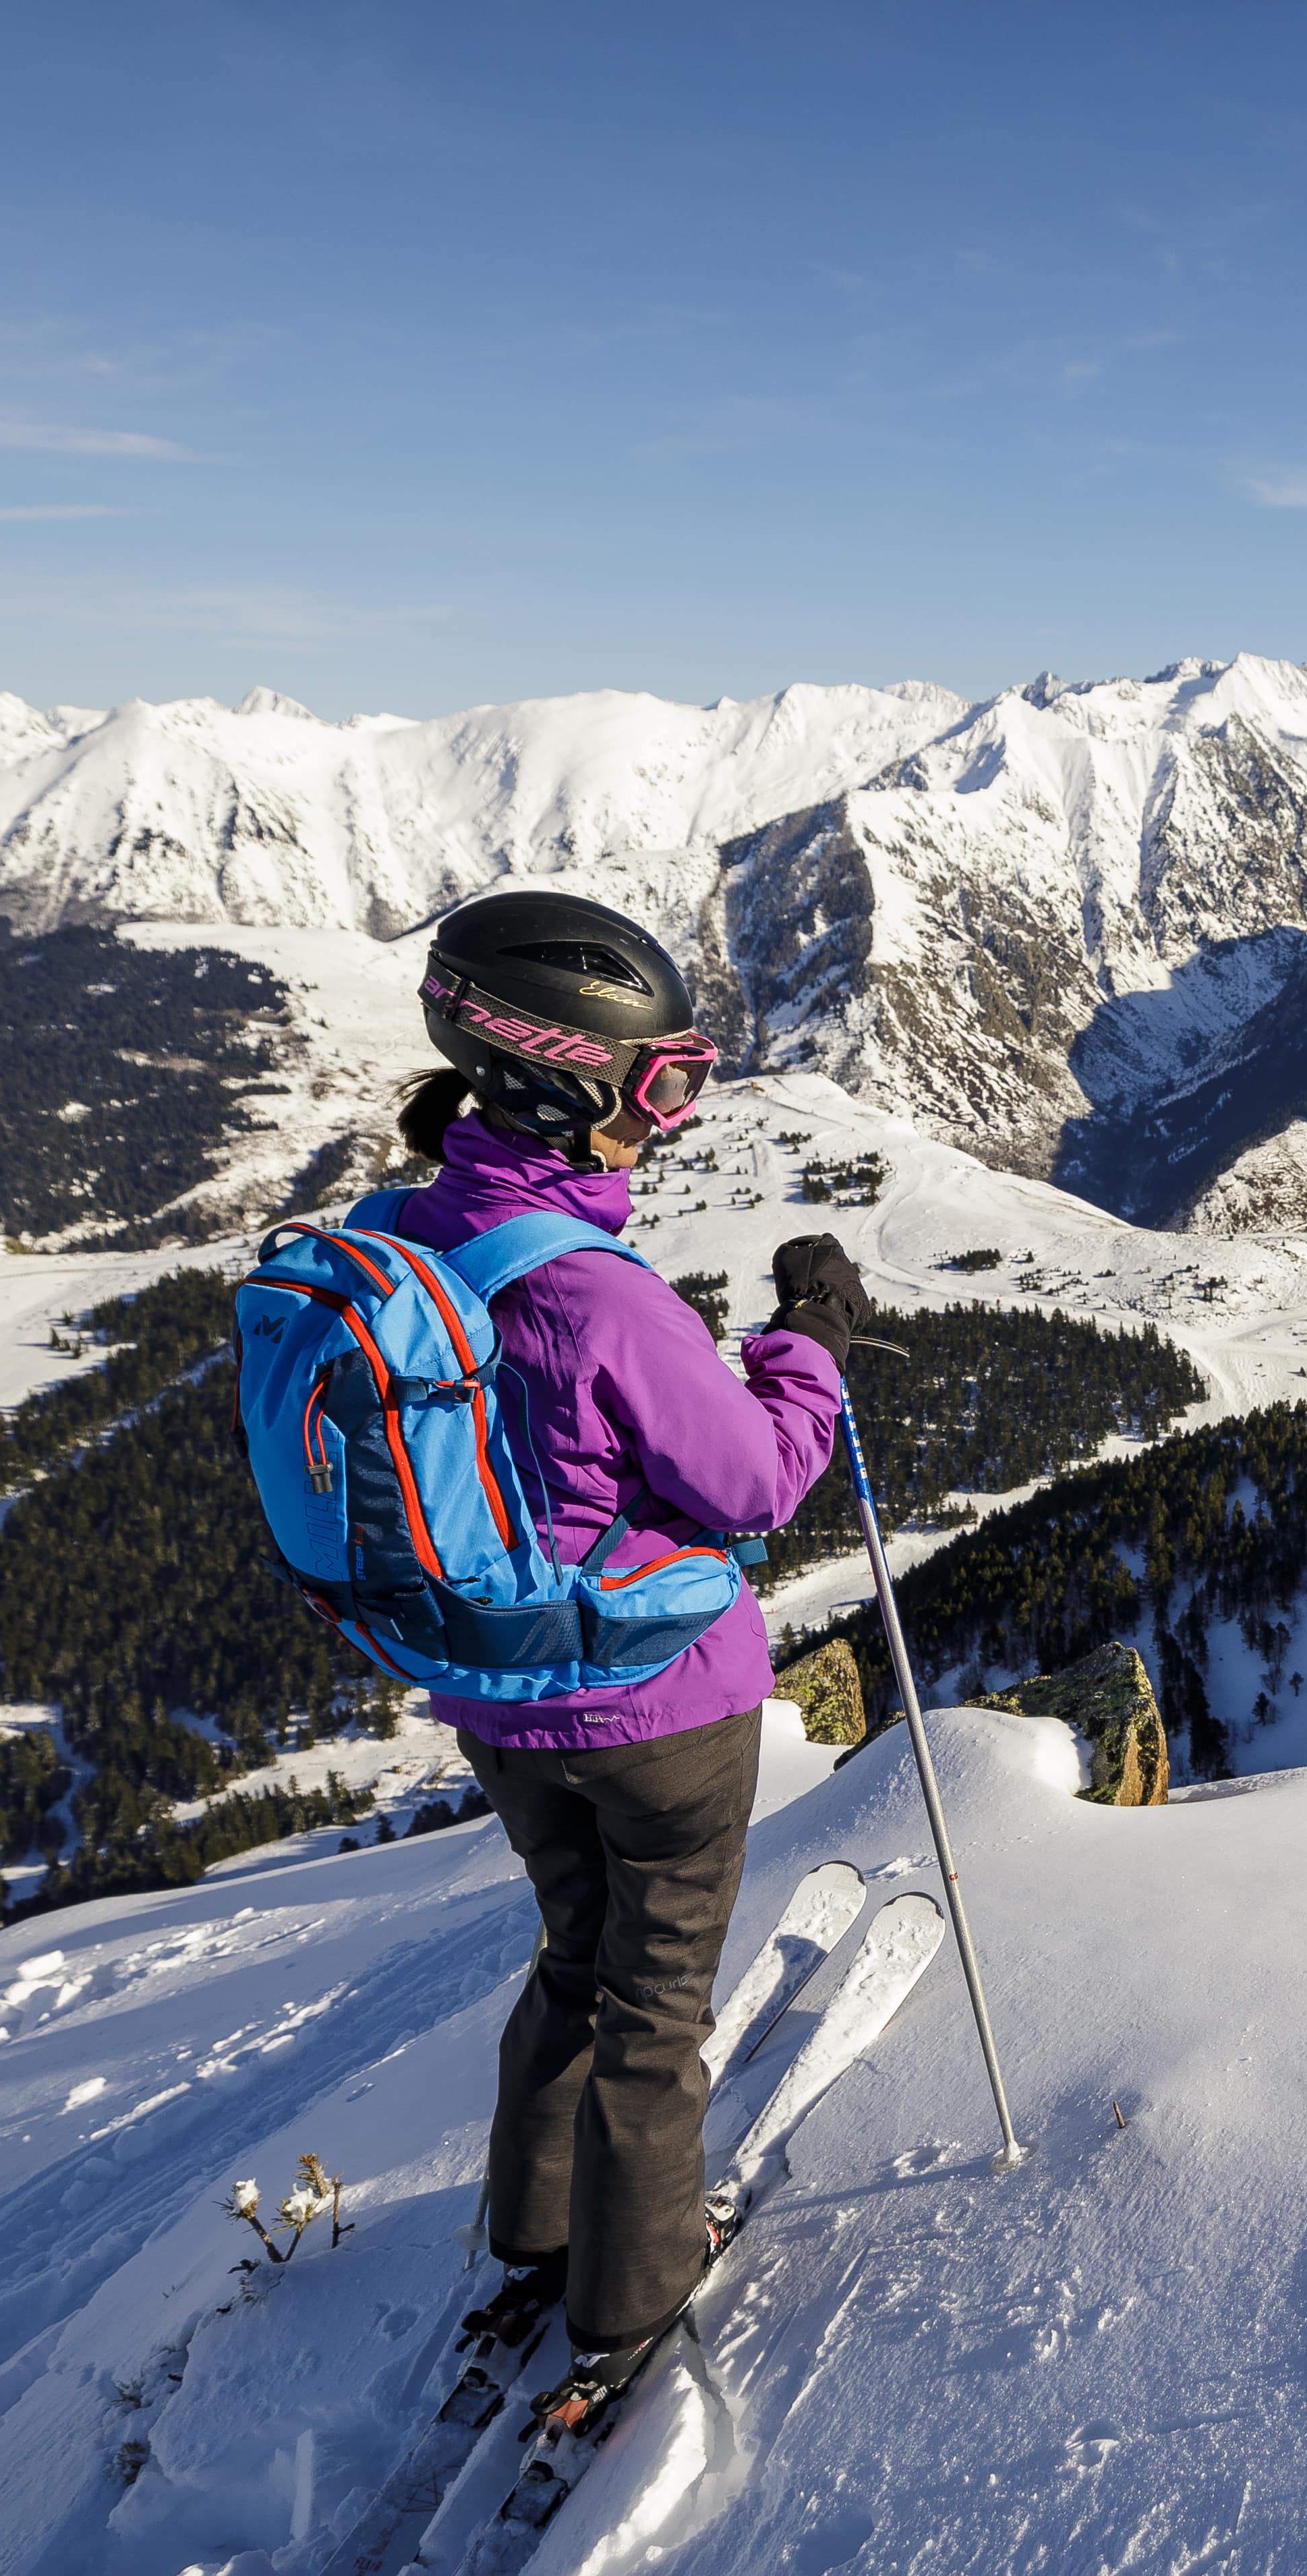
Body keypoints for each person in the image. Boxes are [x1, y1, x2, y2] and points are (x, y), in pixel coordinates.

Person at [374, 888, 869, 2419]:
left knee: (572, 1959)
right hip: (659, 1711)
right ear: (560, 1076)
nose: (670, 1116)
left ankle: (531, 2235)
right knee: (657, 2000)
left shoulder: (402, 1233)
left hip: (499, 1696)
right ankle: (631, 2296)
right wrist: (811, 1346)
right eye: (661, 1083)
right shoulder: (598, 1295)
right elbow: (756, 1485)